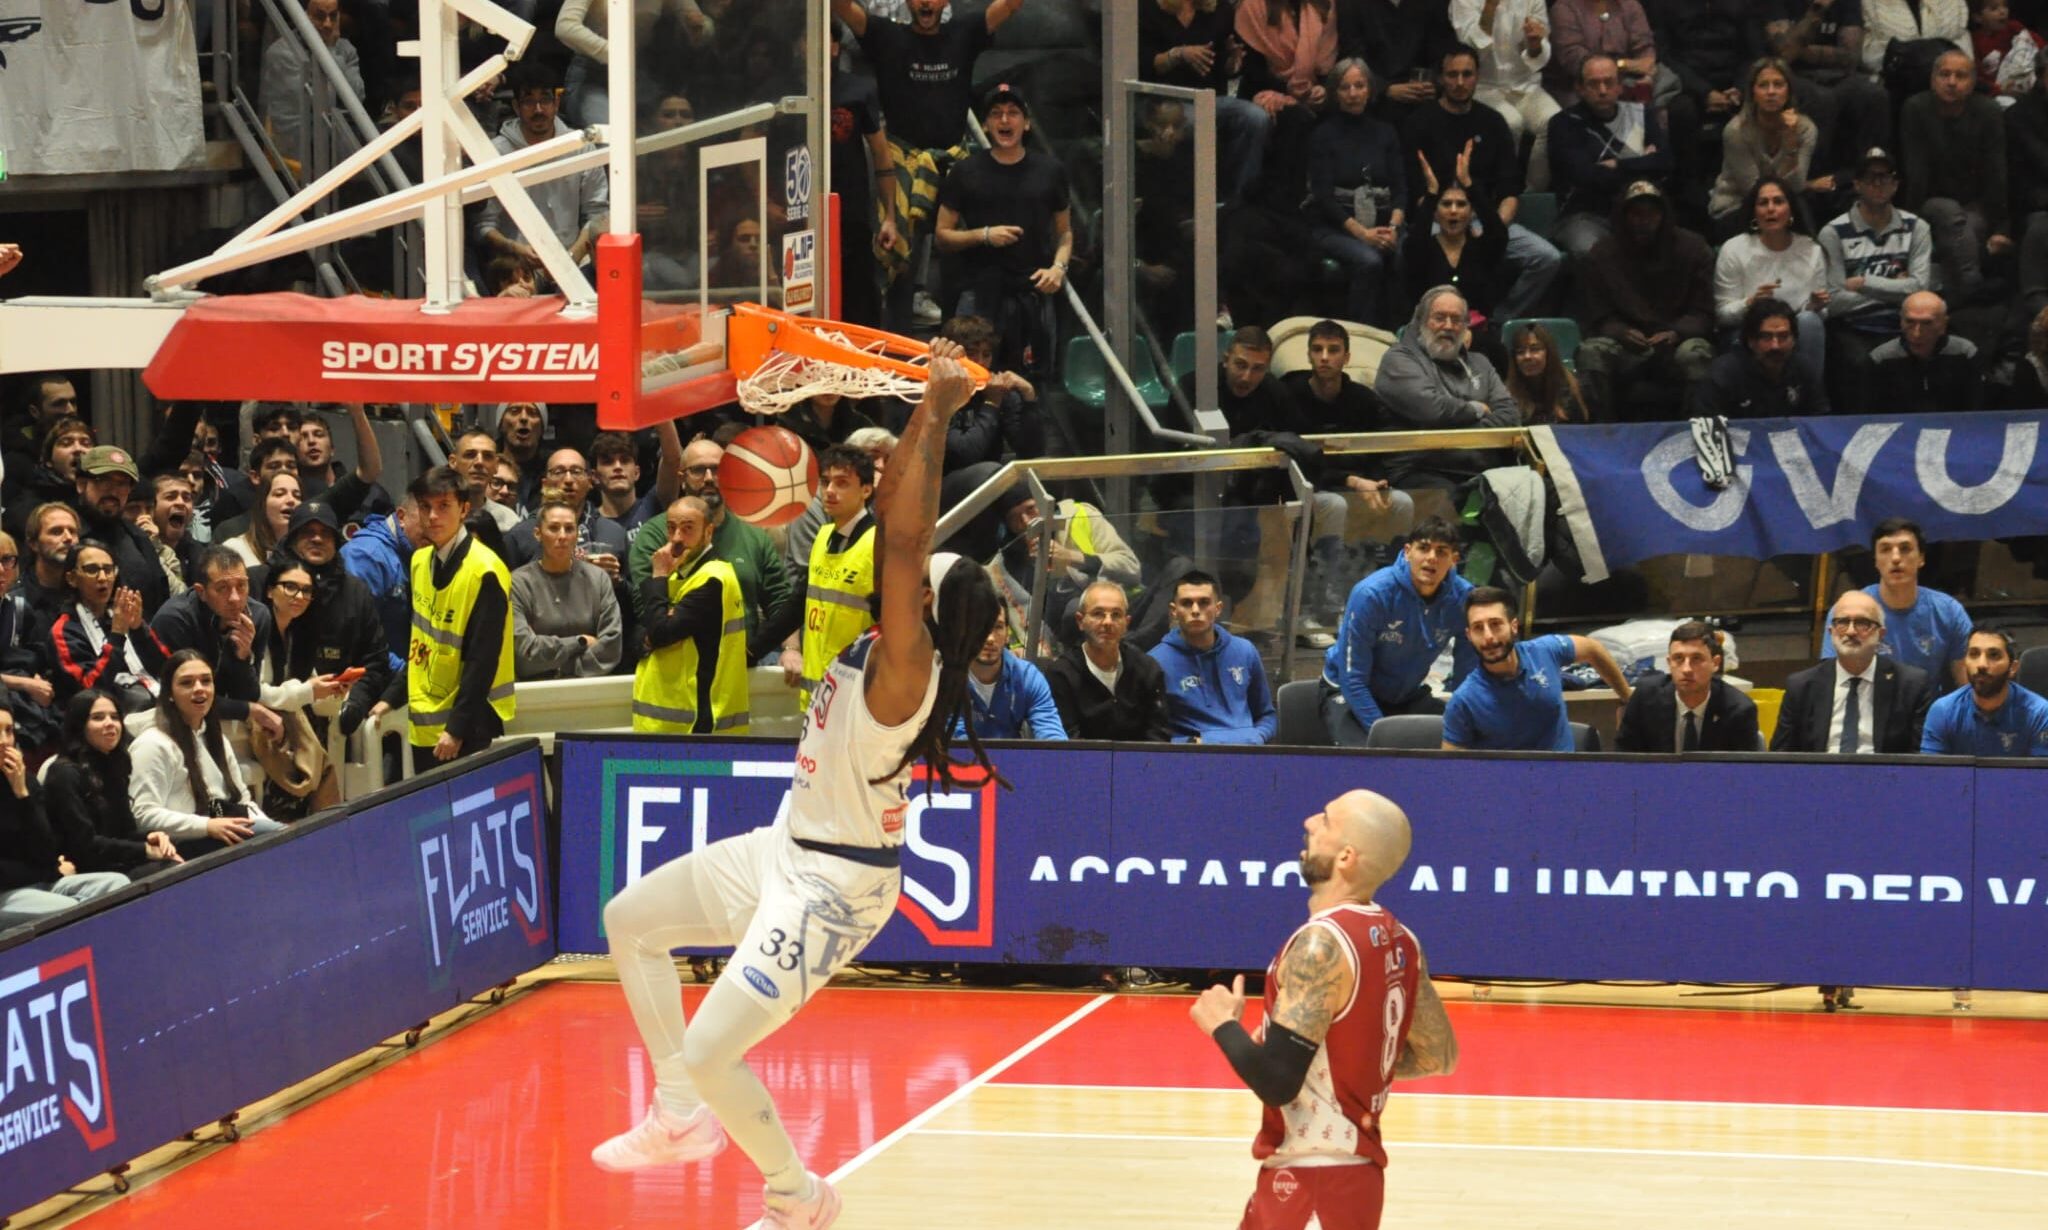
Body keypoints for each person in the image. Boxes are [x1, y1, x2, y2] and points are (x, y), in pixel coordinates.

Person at [590, 342, 1004, 1230]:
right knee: (629, 922)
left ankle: (797, 1195)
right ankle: (677, 1118)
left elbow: (906, 532)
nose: (905, 569)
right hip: (788, 847)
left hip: (834, 885)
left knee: (713, 1050)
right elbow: (893, 520)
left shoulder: (907, 663)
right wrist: (931, 409)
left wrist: (936, 400)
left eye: (918, 576)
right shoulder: (899, 636)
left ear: (927, 604)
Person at [1188, 789, 1457, 1230]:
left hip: (1313, 1180)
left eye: (1327, 821)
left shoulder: (1321, 945)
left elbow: (1277, 1082)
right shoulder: (1401, 938)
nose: (1311, 821)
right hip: (1353, 1177)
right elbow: (1438, 1055)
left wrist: (1222, 1025)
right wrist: (1335, 1065)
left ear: (1346, 856)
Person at [933, 83, 1072, 375]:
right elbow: (942, 236)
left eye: (1013, 113)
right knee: (968, 378)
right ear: (985, 124)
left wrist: (1058, 268)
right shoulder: (965, 171)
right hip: (979, 293)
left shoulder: (1051, 171)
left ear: (1027, 123)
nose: (1005, 120)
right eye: (996, 114)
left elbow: (1065, 233)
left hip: (1032, 292)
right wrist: (983, 235)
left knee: (1033, 383)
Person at [1321, 518, 1477, 745]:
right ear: (1407, 552)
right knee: (1371, 757)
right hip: (1347, 691)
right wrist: (1385, 734)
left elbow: (1467, 671)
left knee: (1463, 740)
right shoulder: (1372, 594)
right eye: (1423, 548)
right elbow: (1352, 678)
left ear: (1454, 560)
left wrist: (1461, 717)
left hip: (1406, 695)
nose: (1431, 557)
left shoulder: (1463, 598)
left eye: (1441, 552)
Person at [404, 466, 515, 770]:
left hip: (471, 722)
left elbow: (483, 658)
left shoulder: (486, 570)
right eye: (425, 507)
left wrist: (457, 728)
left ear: (464, 509)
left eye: (443, 506)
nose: (433, 517)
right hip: (427, 716)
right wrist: (389, 697)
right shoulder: (419, 560)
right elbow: (418, 638)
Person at [129, 650, 286, 857]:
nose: (199, 689)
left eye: (206, 681)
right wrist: (207, 826)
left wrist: (275, 828)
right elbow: (143, 815)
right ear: (169, 693)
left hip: (224, 831)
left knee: (290, 836)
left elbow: (242, 801)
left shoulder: (216, 738)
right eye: (187, 683)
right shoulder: (152, 744)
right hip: (182, 844)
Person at [1442, 585, 1631, 750]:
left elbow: (1592, 648)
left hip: (1564, 778)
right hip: (1508, 787)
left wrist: (1627, 700)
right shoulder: (1463, 702)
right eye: (1478, 628)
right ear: (1468, 635)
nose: (1488, 636)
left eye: (1496, 624)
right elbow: (1452, 773)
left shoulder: (1545, 651)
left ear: (1513, 626)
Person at [1820, 147, 1936, 411]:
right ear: (1857, 184)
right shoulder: (1833, 232)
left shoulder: (1917, 227)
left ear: (1896, 184)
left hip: (1905, 325)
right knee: (1861, 363)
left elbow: (1920, 289)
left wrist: (1864, 282)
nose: (1878, 184)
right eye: (1870, 177)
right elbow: (1835, 301)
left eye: (1885, 177)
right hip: (1855, 329)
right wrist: (1896, 291)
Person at [1374, 286, 1521, 494]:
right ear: (1421, 321)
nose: (1449, 326)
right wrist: (1476, 409)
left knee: (1533, 490)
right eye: (1440, 317)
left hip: (1481, 469)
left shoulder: (1481, 363)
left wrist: (1453, 434)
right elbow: (1432, 410)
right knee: (1452, 504)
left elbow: (1510, 415)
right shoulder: (1398, 359)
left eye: (1456, 319)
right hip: (1421, 471)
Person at [1899, 47, 2013, 303]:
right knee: (1949, 212)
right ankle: (1974, 291)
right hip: (1931, 202)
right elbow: (1915, 171)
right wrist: (1909, 226)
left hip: (1975, 204)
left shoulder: (1988, 111)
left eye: (1960, 76)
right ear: (1932, 79)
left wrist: (2002, 227)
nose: (1951, 82)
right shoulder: (1916, 108)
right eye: (1944, 74)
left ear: (1973, 82)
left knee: (1966, 230)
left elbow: (1997, 172)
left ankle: (1958, 304)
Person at [0, 706, 130, 926]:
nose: (4, 741)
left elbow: (47, 848)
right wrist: (48, 869)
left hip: (43, 881)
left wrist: (22, 795)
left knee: (117, 884)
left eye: (9, 731)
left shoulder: (25, 781)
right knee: (69, 910)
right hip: (7, 893)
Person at [630, 497, 750, 735]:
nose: (676, 538)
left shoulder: (713, 578)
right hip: (672, 716)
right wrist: (651, 632)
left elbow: (660, 632)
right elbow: (643, 629)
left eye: (687, 529)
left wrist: (658, 576)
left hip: (698, 718)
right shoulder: (681, 574)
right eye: (671, 528)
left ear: (708, 532)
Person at [1771, 588, 1938, 752]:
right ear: (1831, 631)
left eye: (1862, 623)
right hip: (1819, 777)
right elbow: (1780, 758)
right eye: (1842, 622)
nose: (1850, 631)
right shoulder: (1801, 686)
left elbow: (1920, 760)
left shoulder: (1911, 686)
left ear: (1881, 634)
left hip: (1884, 777)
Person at [1306, 58, 1406, 327]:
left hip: (1384, 224)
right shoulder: (1323, 134)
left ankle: (1399, 333)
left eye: (1359, 86)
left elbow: (1400, 188)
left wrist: (1394, 227)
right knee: (1370, 260)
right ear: (1334, 93)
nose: (1353, 94)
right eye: (1345, 87)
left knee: (1407, 251)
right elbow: (1324, 198)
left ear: (1369, 90)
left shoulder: (1386, 132)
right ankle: (1362, 332)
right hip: (1334, 227)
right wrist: (1364, 235)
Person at [43, 691, 184, 881]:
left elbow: (124, 833)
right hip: (84, 871)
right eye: (98, 718)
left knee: (178, 852)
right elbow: (84, 845)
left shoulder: (113, 764)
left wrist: (151, 838)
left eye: (115, 717)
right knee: (173, 871)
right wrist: (145, 850)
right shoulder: (63, 773)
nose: (110, 723)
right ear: (80, 725)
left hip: (115, 862)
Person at [1714, 175, 1831, 401]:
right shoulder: (1734, 249)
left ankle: (1810, 402)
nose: (1771, 209)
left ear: (1791, 210)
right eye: (1763, 203)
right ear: (1754, 212)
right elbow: (1722, 315)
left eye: (1778, 202)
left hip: (1793, 330)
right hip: (1748, 329)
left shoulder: (1810, 249)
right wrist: (1749, 303)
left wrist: (1816, 306)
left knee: (1810, 322)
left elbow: (1822, 313)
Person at [780, 446, 880, 713]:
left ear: (866, 490)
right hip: (816, 695)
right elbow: (798, 602)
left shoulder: (880, 544)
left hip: (858, 697)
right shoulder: (822, 536)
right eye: (825, 482)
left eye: (842, 483)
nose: (830, 491)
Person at [1547, 54, 1675, 261]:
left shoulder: (1641, 114)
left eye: (1609, 82)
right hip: (1584, 214)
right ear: (1579, 88)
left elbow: (1666, 163)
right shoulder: (1564, 124)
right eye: (1593, 84)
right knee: (1594, 254)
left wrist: (1616, 165)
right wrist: (1642, 162)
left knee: (1687, 248)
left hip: (1640, 211)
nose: (1602, 90)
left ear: (1620, 86)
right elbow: (1585, 177)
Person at [1825, 517, 1974, 685]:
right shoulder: (1847, 611)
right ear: (1875, 560)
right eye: (1885, 549)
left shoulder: (1949, 612)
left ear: (1921, 558)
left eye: (1905, 549)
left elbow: (1967, 687)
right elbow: (1833, 682)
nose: (1895, 558)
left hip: (1929, 709)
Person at [1403, 141, 1512, 350]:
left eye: (1461, 204)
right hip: (1427, 338)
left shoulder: (1483, 249)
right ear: (1435, 212)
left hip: (1476, 338)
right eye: (1446, 204)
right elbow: (1414, 242)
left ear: (1471, 213)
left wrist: (1470, 186)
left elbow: (1498, 232)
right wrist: (1432, 193)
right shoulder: (1423, 249)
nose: (1454, 211)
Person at [1149, 570, 1278, 744]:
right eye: (1187, 603)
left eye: (1204, 602)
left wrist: (1257, 736)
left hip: (1249, 753)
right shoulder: (1155, 662)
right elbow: (1149, 733)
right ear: (1173, 611)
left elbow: (1266, 715)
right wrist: (1189, 744)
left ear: (1218, 609)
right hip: (1193, 759)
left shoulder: (1245, 651)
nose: (1195, 610)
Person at [48, 541, 172, 714]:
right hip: (101, 719)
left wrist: (138, 629)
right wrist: (117, 636)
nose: (102, 578)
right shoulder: (64, 630)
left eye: (108, 570)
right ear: (72, 579)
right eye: (92, 570)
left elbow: (167, 669)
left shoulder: (121, 614)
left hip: (149, 705)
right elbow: (90, 689)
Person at [1708, 58, 1828, 234]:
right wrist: (1808, 184)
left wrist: (1791, 145)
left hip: (1781, 204)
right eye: (1763, 85)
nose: (1771, 92)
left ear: (1788, 90)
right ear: (1753, 93)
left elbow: (1794, 186)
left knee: (1803, 207)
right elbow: (1755, 192)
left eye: (1778, 84)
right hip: (1736, 205)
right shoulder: (1736, 131)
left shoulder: (1805, 129)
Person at [1042, 580, 1172, 741]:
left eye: (1116, 614)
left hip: (1140, 763)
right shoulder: (1061, 674)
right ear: (1080, 621)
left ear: (1127, 623)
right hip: (1083, 763)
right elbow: (1068, 742)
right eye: (1098, 613)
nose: (1108, 622)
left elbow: (1159, 735)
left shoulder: (1147, 669)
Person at [1454, 0, 1562, 191]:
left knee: (1554, 121)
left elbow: (1539, 53)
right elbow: (1471, 50)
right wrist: (1490, 7)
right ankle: (1502, 192)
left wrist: (1534, 43)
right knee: (1511, 123)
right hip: (1484, 86)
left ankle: (1532, 192)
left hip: (1526, 85)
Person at [513, 500, 624, 681]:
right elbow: (524, 652)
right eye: (554, 528)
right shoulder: (519, 582)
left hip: (590, 689)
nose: (562, 536)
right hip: (535, 691)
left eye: (569, 529)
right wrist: (580, 641)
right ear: (538, 534)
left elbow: (611, 649)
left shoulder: (598, 579)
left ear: (577, 534)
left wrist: (558, 666)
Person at [1614, 619, 1763, 751]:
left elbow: (1743, 775)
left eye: (1697, 659)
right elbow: (1625, 762)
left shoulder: (1739, 710)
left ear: (1715, 663)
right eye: (1678, 658)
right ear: (1669, 663)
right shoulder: (1645, 698)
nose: (1686, 669)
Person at [1690, 298, 1829, 417]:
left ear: (1794, 339)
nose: (1776, 346)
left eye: (1783, 336)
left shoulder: (1804, 369)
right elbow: (1707, 428)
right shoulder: (1724, 374)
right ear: (1751, 341)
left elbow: (1820, 422)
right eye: (1766, 337)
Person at [1921, 626, 2048, 754]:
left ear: (2013, 668)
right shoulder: (1943, 711)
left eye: (1994, 655)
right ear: (1965, 663)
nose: (1981, 664)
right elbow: (1931, 773)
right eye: (1974, 654)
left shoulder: (2039, 714)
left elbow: (2040, 773)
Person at [957, 609, 1067, 740]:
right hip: (965, 759)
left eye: (998, 627)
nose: (990, 638)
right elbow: (957, 744)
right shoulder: (945, 679)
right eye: (980, 626)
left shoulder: (1027, 677)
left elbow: (1052, 738)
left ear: (1007, 633)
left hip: (1013, 759)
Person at [1867, 290, 1984, 411]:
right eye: (1910, 322)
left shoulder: (1965, 353)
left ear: (1943, 325)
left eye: (1927, 323)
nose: (1917, 333)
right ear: (1901, 322)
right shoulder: (1881, 358)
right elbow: (1867, 414)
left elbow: (1977, 409)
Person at [1504, 320, 1593, 422]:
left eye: (1535, 349)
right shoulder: (1506, 395)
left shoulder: (1574, 388)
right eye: (1520, 352)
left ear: (1549, 354)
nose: (1527, 357)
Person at [226, 469, 303, 570]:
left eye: (297, 496)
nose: (291, 500)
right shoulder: (234, 550)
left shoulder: (306, 552)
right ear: (262, 504)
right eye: (280, 494)